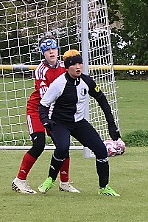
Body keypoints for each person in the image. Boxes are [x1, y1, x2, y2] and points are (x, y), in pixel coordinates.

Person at [38, 49, 121, 196]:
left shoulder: (87, 81)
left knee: (101, 151)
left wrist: (111, 124)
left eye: (80, 64)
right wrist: (45, 121)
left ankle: (104, 188)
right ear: (67, 67)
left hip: (78, 122)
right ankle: (50, 179)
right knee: (63, 148)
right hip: (60, 123)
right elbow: (43, 105)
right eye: (74, 64)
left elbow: (102, 100)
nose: (78, 67)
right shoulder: (59, 84)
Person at [12, 35, 79, 194]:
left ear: (57, 50)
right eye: (47, 50)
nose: (51, 52)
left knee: (63, 146)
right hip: (37, 110)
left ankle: (64, 183)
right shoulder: (40, 70)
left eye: (53, 49)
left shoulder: (66, 66)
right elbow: (45, 96)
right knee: (39, 144)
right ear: (43, 53)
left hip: (55, 111)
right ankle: (19, 180)